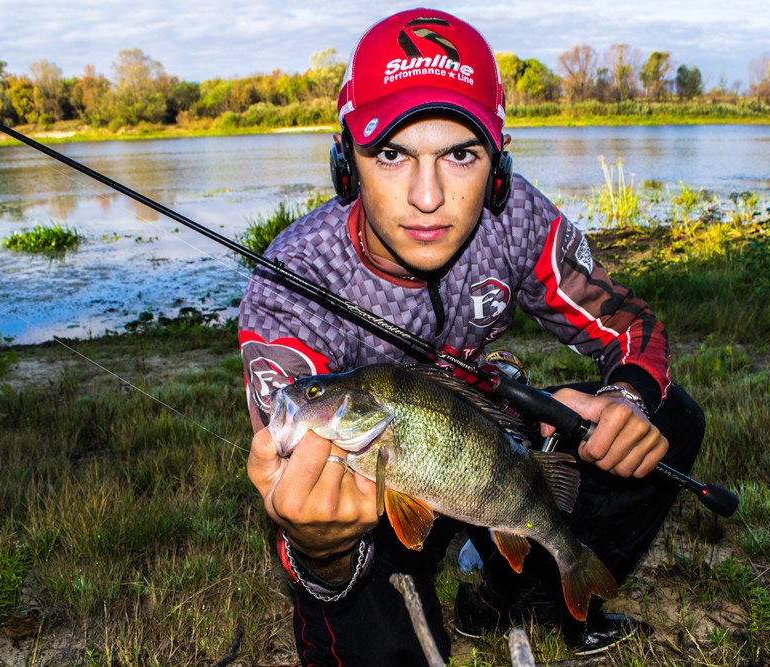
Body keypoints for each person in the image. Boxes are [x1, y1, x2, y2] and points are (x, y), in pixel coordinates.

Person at [239, 8, 704, 665]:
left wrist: (624, 401)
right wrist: (323, 546)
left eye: (461, 154)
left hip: (484, 441)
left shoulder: (515, 219)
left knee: (669, 417)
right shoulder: (294, 279)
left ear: (499, 166)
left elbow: (629, 325)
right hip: (369, 478)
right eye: (391, 153)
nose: (428, 196)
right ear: (347, 164)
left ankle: (517, 599)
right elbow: (295, 483)